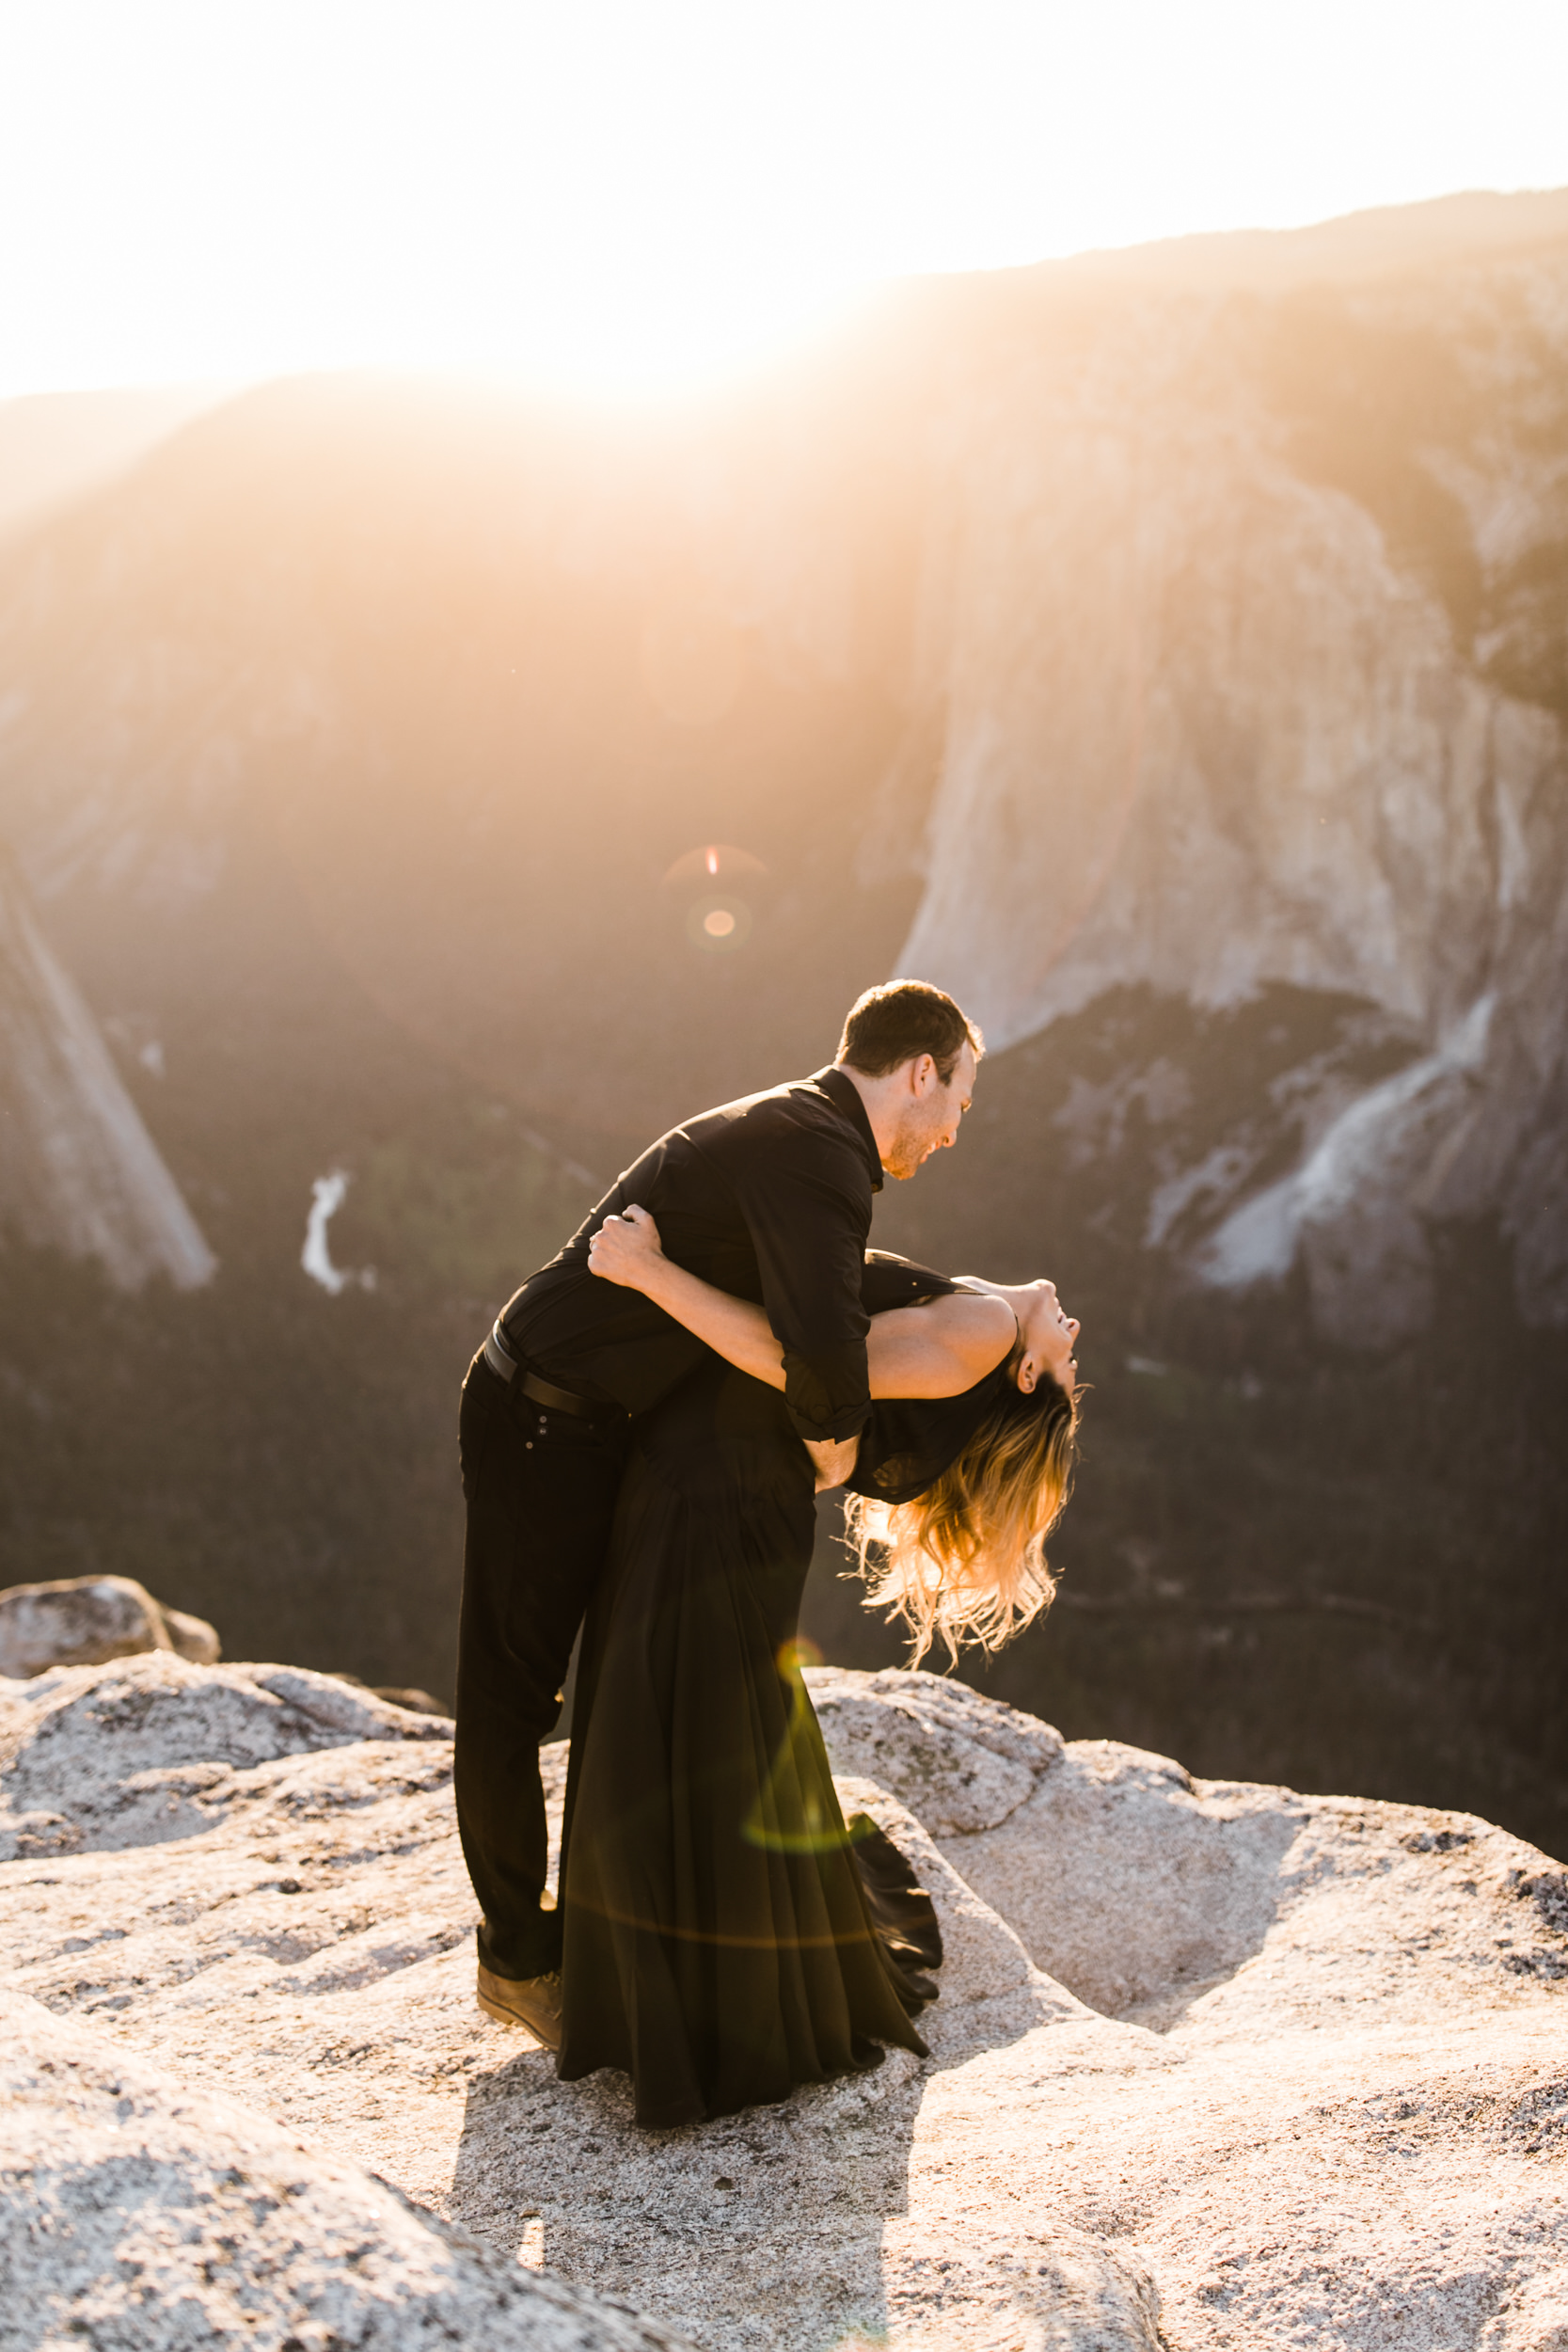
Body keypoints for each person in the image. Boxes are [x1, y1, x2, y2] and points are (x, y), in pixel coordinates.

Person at [455, 980, 983, 2048]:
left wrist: (1002, 1311)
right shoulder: (815, 1150)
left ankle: (618, 1938)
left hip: (608, 1424)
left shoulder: (807, 1137)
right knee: (517, 1695)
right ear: (918, 1070)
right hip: (537, 1416)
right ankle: (517, 1958)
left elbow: (833, 1291)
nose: (952, 1132)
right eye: (958, 1102)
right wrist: (835, 1444)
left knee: (614, 1672)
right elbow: (824, 1355)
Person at [549, 1209, 1080, 2126]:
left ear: (1024, 1373)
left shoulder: (987, 1330)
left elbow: (809, 1370)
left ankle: (688, 2010)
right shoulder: (984, 1316)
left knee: (689, 1711)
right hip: (719, 1476)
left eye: (1070, 1372)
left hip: (716, 1488)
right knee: (709, 1714)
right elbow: (831, 1386)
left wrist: (645, 1271)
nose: (1077, 1343)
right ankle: (686, 1991)